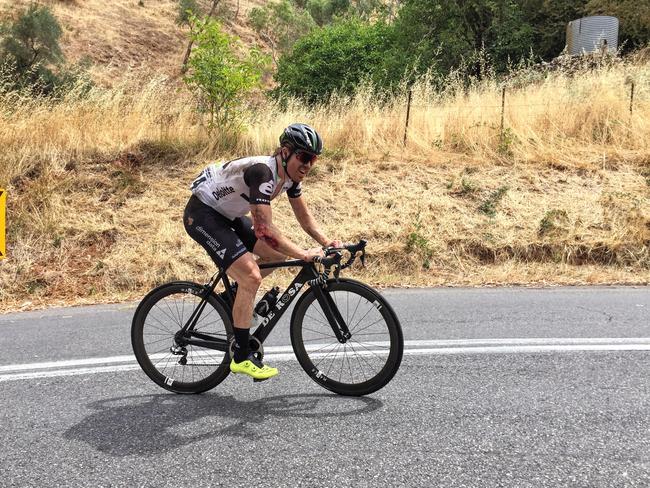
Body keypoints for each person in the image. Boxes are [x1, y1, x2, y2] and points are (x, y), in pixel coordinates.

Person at [183, 123, 343, 381]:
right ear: (285, 152)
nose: (308, 165)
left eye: (313, 159)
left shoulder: (289, 178)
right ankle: (241, 357)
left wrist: (327, 242)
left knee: (275, 256)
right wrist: (303, 254)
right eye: (303, 157)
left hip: (228, 215)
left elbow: (304, 217)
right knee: (251, 277)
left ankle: (234, 297)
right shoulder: (263, 173)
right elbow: (265, 230)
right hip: (203, 214)